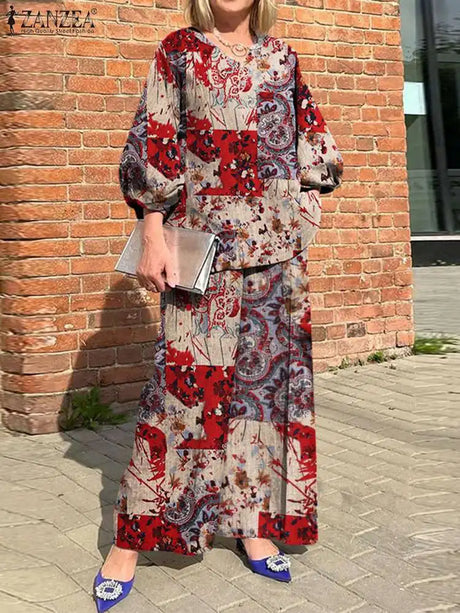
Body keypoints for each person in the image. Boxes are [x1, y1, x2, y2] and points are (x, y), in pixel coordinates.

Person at [93, 0, 343, 609]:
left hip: (277, 259)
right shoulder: (179, 50)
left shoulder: (282, 57)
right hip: (202, 252)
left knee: (264, 400)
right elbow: (157, 141)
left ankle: (252, 525)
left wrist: (302, 214)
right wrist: (153, 234)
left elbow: (315, 146)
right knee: (181, 398)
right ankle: (130, 540)